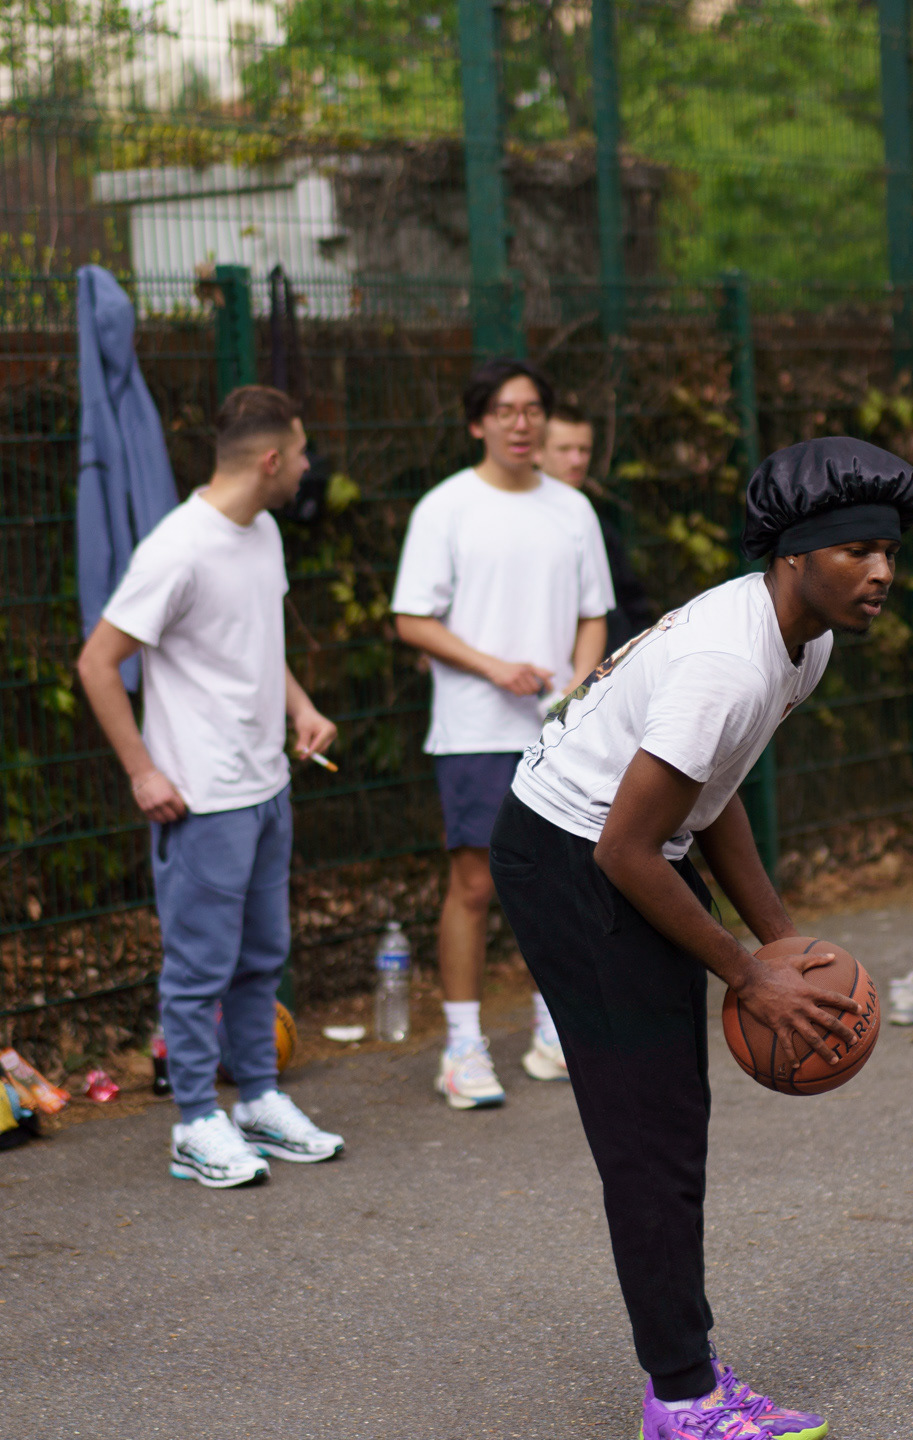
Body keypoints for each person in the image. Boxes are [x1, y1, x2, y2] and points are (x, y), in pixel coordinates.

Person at [489, 437, 913, 1440]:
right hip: (573, 856)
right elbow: (624, 849)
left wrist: (782, 943)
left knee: (673, 1119)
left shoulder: (801, 640)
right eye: (858, 551)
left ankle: (685, 1372)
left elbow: (711, 790)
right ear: (796, 556)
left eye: (890, 553)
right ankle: (682, 1398)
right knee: (651, 1134)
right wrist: (747, 974)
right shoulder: (728, 662)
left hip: (627, 843)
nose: (882, 573)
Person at [77, 385, 346, 1189]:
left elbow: (255, 643)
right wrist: (143, 772)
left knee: (262, 960)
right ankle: (195, 1121)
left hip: (267, 788)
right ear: (271, 460)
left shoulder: (263, 531)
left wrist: (302, 708)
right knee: (198, 973)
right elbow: (97, 663)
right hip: (200, 801)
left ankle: (257, 1100)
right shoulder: (178, 548)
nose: (307, 466)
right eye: (300, 452)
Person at [391, 359, 614, 1105]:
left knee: (560, 881)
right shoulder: (445, 508)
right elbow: (411, 620)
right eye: (505, 410)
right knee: (475, 884)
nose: (522, 423)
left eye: (533, 410)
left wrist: (579, 689)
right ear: (477, 423)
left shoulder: (572, 510)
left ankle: (554, 1030)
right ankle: (462, 1047)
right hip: (474, 729)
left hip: (558, 732)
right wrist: (494, 668)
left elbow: (592, 613)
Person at [542, 405, 656, 651]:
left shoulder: (597, 523)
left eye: (584, 450)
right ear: (536, 452)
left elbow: (628, 604)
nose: (577, 460)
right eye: (564, 449)